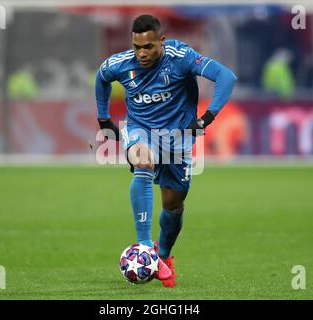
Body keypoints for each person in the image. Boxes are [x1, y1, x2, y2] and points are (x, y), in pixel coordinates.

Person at [95, 15, 237, 288]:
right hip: (140, 130)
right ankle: (146, 246)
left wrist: (206, 118)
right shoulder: (121, 63)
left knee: (174, 205)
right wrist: (103, 119)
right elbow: (101, 77)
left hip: (178, 139)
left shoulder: (180, 56)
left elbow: (225, 77)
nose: (141, 53)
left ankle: (164, 255)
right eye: (136, 47)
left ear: (161, 41)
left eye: (148, 47)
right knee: (143, 161)